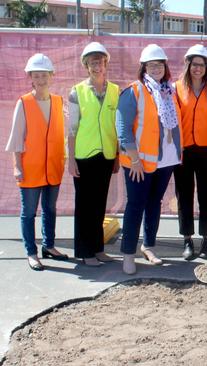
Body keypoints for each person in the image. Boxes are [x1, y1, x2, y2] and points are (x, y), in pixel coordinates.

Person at [116, 44, 183, 275]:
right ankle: (127, 254)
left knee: (155, 204)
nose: (156, 68)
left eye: (160, 64)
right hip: (140, 163)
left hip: (165, 160)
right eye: (152, 65)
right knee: (135, 206)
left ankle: (149, 246)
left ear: (165, 67)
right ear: (144, 67)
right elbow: (123, 129)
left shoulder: (168, 91)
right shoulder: (133, 91)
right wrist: (134, 160)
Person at [6, 53, 68, 271]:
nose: (41, 79)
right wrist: (17, 166)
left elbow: (64, 134)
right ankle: (31, 252)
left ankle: (49, 246)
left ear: (51, 76)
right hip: (30, 168)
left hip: (53, 167)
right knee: (29, 212)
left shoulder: (59, 102)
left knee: (50, 208)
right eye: (36, 76)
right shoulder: (23, 103)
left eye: (44, 75)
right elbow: (16, 138)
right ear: (30, 78)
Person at [66, 42, 119, 267]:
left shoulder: (115, 91)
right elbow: (71, 128)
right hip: (84, 157)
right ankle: (85, 252)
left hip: (106, 155)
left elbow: (118, 126)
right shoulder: (76, 92)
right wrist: (71, 160)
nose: (97, 66)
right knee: (85, 206)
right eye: (92, 62)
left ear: (106, 64)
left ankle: (98, 248)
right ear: (86, 65)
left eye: (101, 61)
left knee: (99, 205)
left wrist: (116, 156)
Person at [173, 44, 207, 260]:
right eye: (194, 64)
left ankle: (206, 239)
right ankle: (187, 240)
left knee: (206, 195)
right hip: (184, 150)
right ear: (188, 65)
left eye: (201, 64)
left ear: (206, 67)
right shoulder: (176, 88)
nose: (197, 68)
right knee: (184, 196)